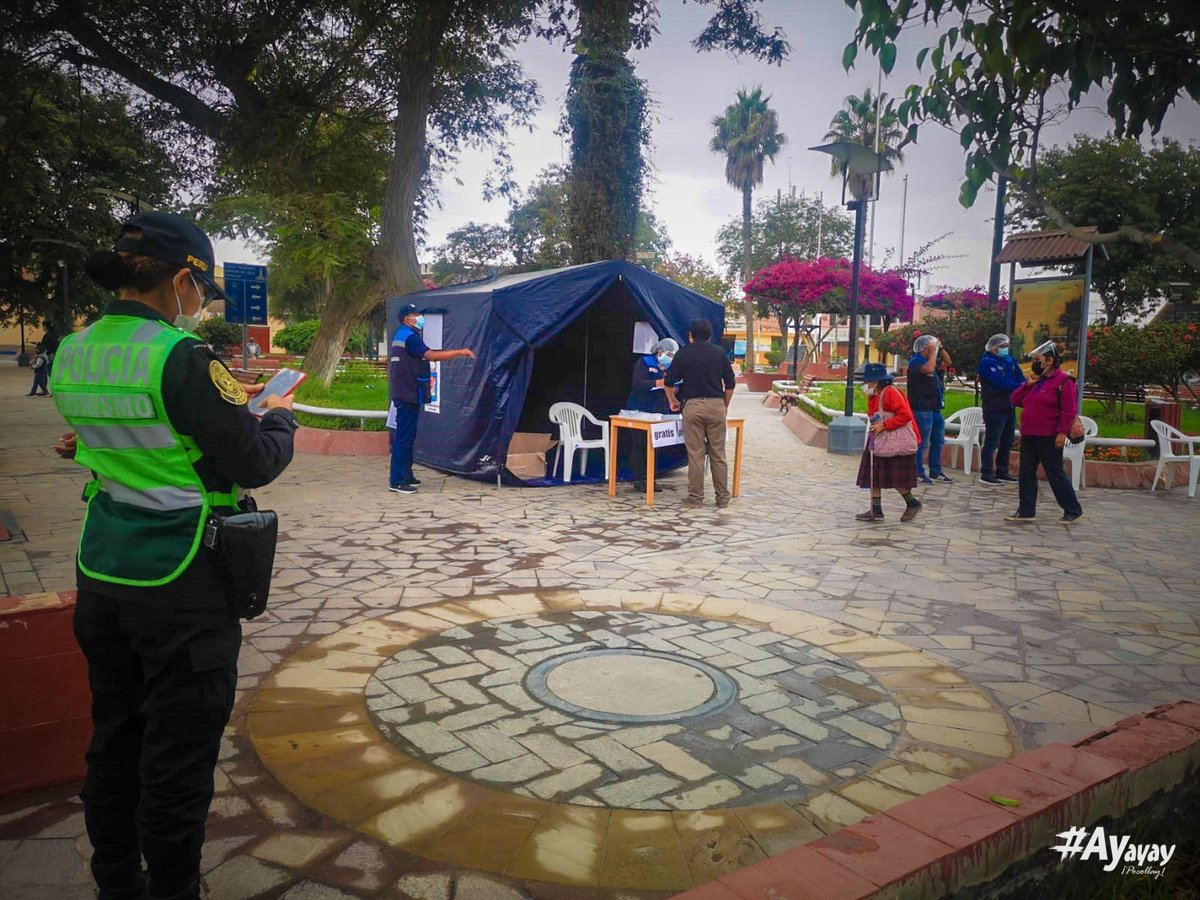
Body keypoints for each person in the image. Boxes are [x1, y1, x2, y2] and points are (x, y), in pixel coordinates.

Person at [49, 211, 298, 900]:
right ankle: (174, 889)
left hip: (103, 574)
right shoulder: (180, 357)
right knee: (177, 756)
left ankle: (115, 880)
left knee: (115, 736)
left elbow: (111, 436)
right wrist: (278, 419)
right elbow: (250, 461)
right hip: (183, 586)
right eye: (201, 294)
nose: (200, 308)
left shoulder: (74, 351)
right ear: (183, 279)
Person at [388, 302, 474, 494]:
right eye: (415, 314)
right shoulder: (409, 337)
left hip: (405, 392)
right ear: (406, 318)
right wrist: (459, 352)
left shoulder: (403, 335)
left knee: (407, 436)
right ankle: (397, 480)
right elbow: (431, 355)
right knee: (403, 438)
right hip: (408, 393)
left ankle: (406, 474)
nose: (419, 317)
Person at [1007, 342, 1085, 524]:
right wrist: (1027, 385)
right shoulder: (1038, 380)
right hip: (1029, 434)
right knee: (1026, 473)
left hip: (1049, 435)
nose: (1035, 363)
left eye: (1038, 360)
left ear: (1050, 361)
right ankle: (1026, 510)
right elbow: (1015, 399)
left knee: (1054, 473)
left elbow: (1068, 410)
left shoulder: (1064, 381)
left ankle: (1072, 509)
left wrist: (1061, 433)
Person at [663, 318, 736, 507]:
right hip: (716, 406)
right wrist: (724, 405)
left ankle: (695, 498)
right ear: (710, 336)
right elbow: (730, 383)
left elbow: (668, 382)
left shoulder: (683, 354)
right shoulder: (720, 353)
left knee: (695, 454)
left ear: (690, 336)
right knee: (718, 454)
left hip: (693, 407)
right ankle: (722, 498)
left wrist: (673, 401)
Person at [855, 362, 923, 522]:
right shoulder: (874, 396)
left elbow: (905, 415)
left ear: (876, 382)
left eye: (867, 382)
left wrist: (885, 425)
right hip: (879, 440)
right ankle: (876, 510)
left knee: (894, 477)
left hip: (893, 442)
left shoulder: (891, 393)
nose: (865, 386)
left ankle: (912, 503)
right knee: (874, 475)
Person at [626, 337, 678, 491]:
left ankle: (650, 478)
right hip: (639, 410)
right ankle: (638, 479)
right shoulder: (645, 363)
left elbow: (673, 387)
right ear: (659, 351)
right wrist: (657, 383)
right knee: (640, 445)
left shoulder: (669, 368)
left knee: (655, 446)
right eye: (668, 354)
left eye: (673, 356)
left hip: (658, 411)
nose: (670, 358)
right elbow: (637, 384)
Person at [976, 333, 1024, 486]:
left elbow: (1019, 376)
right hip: (994, 407)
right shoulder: (987, 363)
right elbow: (1000, 383)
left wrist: (1021, 384)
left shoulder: (1008, 360)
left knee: (1007, 440)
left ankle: (1002, 470)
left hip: (1009, 406)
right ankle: (987, 472)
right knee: (992, 440)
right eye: (1002, 347)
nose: (1005, 350)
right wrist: (1020, 386)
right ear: (994, 347)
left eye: (1006, 347)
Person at [907, 334, 954, 484]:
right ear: (925, 349)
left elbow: (948, 362)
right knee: (922, 442)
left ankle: (936, 471)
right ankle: (917, 472)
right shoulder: (916, 362)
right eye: (931, 348)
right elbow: (927, 370)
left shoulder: (932, 361)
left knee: (938, 441)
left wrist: (941, 348)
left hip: (935, 409)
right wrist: (933, 353)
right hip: (922, 409)